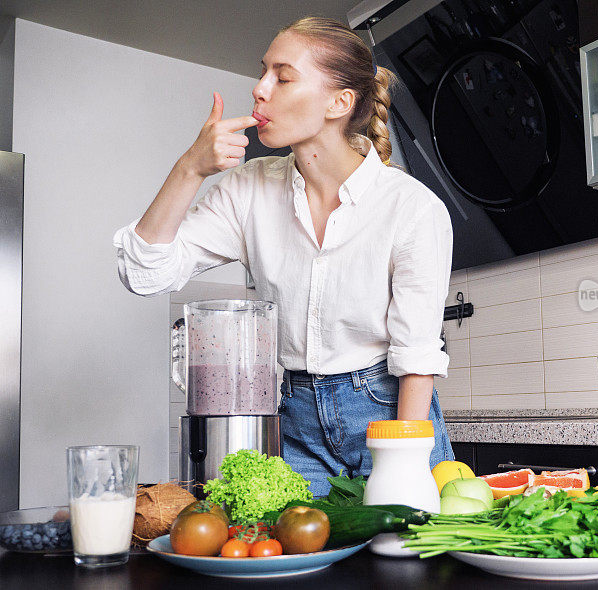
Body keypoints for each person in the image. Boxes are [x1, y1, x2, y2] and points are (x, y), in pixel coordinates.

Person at [113, 16, 455, 496]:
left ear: (340, 103)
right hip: (292, 420)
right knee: (294, 557)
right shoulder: (248, 188)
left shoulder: (413, 208)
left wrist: (402, 466)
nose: (259, 88)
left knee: (406, 560)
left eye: (283, 76)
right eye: (263, 72)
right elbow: (145, 272)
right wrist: (190, 168)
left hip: (390, 413)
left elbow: (417, 357)